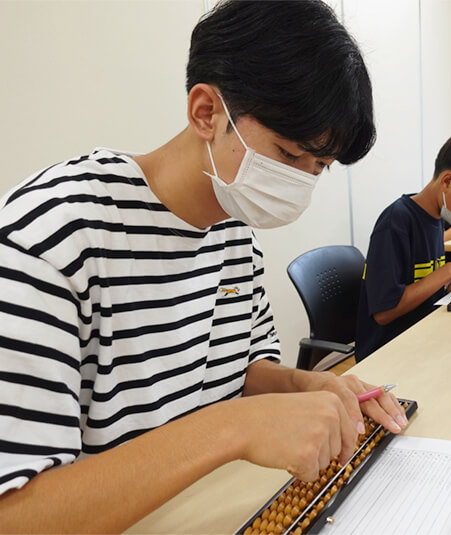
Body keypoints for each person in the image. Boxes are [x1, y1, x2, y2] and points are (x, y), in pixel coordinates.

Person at [0, 2, 408, 532]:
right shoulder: (51, 236)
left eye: (320, 168)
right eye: (288, 155)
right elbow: (18, 513)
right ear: (206, 112)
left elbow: (240, 375)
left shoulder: (234, 228)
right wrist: (232, 429)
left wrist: (309, 389)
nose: (301, 185)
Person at [355, 129, 451, 362]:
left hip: (424, 333)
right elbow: (384, 312)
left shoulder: (437, 218)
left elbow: (427, 281)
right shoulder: (396, 221)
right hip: (387, 351)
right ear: (448, 181)